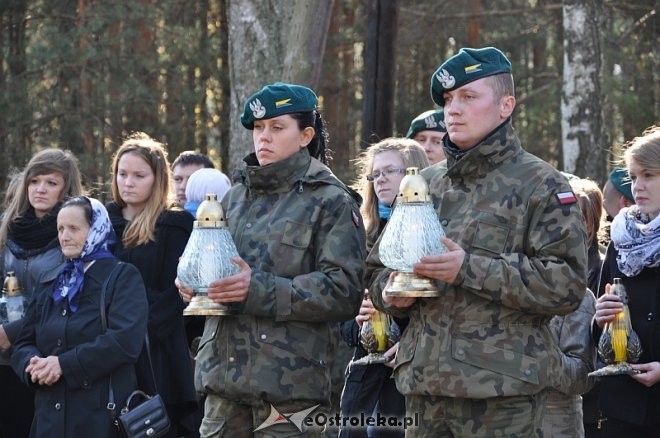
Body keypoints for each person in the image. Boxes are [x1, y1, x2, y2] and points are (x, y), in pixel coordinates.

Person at [367, 47, 588, 437]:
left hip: (501, 396)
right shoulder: (424, 185)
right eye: (449, 99)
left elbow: (566, 286)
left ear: (506, 106)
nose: (453, 109)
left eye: (469, 97)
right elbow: (377, 267)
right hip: (424, 391)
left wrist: (467, 268)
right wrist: (393, 294)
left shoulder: (541, 184)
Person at [179, 82, 366, 437]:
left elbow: (345, 290)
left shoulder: (331, 201)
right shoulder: (232, 198)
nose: (263, 137)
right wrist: (196, 284)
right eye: (259, 128)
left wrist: (257, 289)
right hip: (224, 383)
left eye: (277, 128)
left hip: (291, 393)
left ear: (305, 135)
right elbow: (215, 269)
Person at [10, 196, 148, 437]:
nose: (64, 236)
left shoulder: (121, 276)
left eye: (74, 228)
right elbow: (23, 342)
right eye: (60, 228)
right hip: (49, 420)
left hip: (100, 417)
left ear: (96, 229)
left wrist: (63, 364)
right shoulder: (50, 279)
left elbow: (125, 342)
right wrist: (33, 366)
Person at [106, 132, 198, 437]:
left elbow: (179, 290)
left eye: (138, 175)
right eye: (122, 174)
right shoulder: (103, 221)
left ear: (157, 179)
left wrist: (136, 327)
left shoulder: (175, 223)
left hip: (157, 350)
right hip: (106, 346)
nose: (127, 182)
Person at [339, 138, 429, 438]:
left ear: (415, 174)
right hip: (364, 372)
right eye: (374, 174)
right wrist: (357, 320)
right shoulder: (362, 233)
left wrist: (410, 341)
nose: (380, 179)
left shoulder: (431, 229)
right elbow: (340, 309)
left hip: (414, 371)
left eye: (389, 171)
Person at [0, 148, 83, 437]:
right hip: (4, 353)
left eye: (51, 182)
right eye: (34, 181)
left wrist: (12, 331)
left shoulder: (72, 233)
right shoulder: (8, 227)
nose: (40, 189)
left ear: (66, 189)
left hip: (47, 354)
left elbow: (65, 298)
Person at [592, 126, 660, 436]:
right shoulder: (623, 238)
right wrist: (600, 317)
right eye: (634, 177)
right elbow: (600, 330)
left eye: (649, 175)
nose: (638, 187)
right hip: (623, 407)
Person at [542, 177, 602, 438]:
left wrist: (533, 353)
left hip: (554, 424)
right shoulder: (506, 281)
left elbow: (583, 377)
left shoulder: (579, 297)